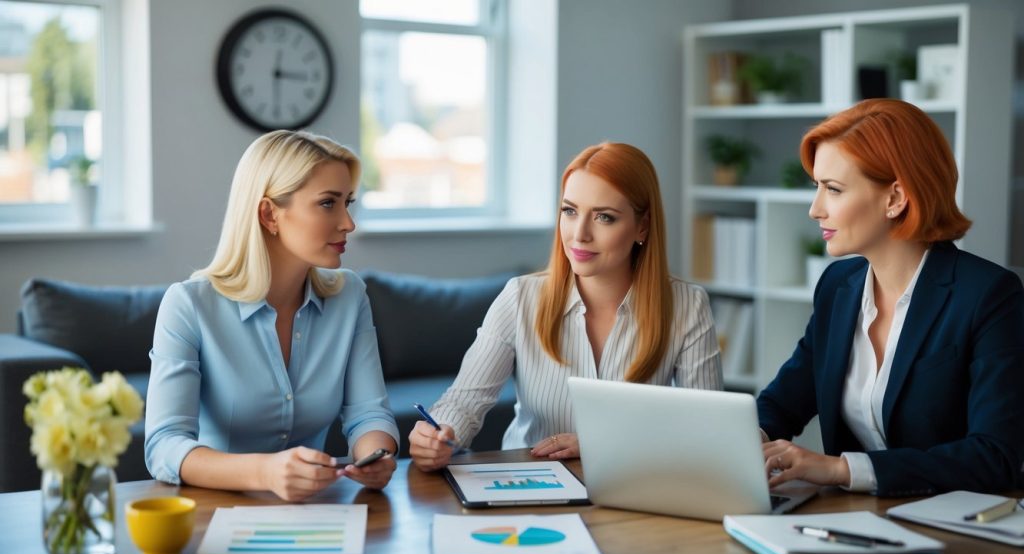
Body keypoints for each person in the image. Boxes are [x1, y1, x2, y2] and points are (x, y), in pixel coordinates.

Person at [759, 99, 1024, 496]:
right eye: (817, 187)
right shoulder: (837, 286)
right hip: (855, 523)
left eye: (833, 189)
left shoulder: (988, 296)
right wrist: (744, 438)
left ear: (895, 198)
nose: (815, 209)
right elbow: (782, 404)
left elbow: (994, 457)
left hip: (957, 533)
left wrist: (841, 469)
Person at [410, 141, 724, 471]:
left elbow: (707, 430)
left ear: (642, 226)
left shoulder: (687, 306)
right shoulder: (520, 297)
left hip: (633, 487)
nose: (579, 234)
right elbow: (466, 399)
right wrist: (440, 433)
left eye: (604, 217)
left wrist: (601, 445)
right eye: (569, 211)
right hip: (529, 486)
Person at [145, 130, 399, 501]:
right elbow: (164, 446)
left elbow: (368, 414)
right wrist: (265, 471)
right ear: (269, 214)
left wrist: (376, 455)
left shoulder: (350, 296)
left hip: (318, 514)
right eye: (328, 204)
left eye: (348, 202)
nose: (348, 223)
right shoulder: (188, 305)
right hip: (215, 515)